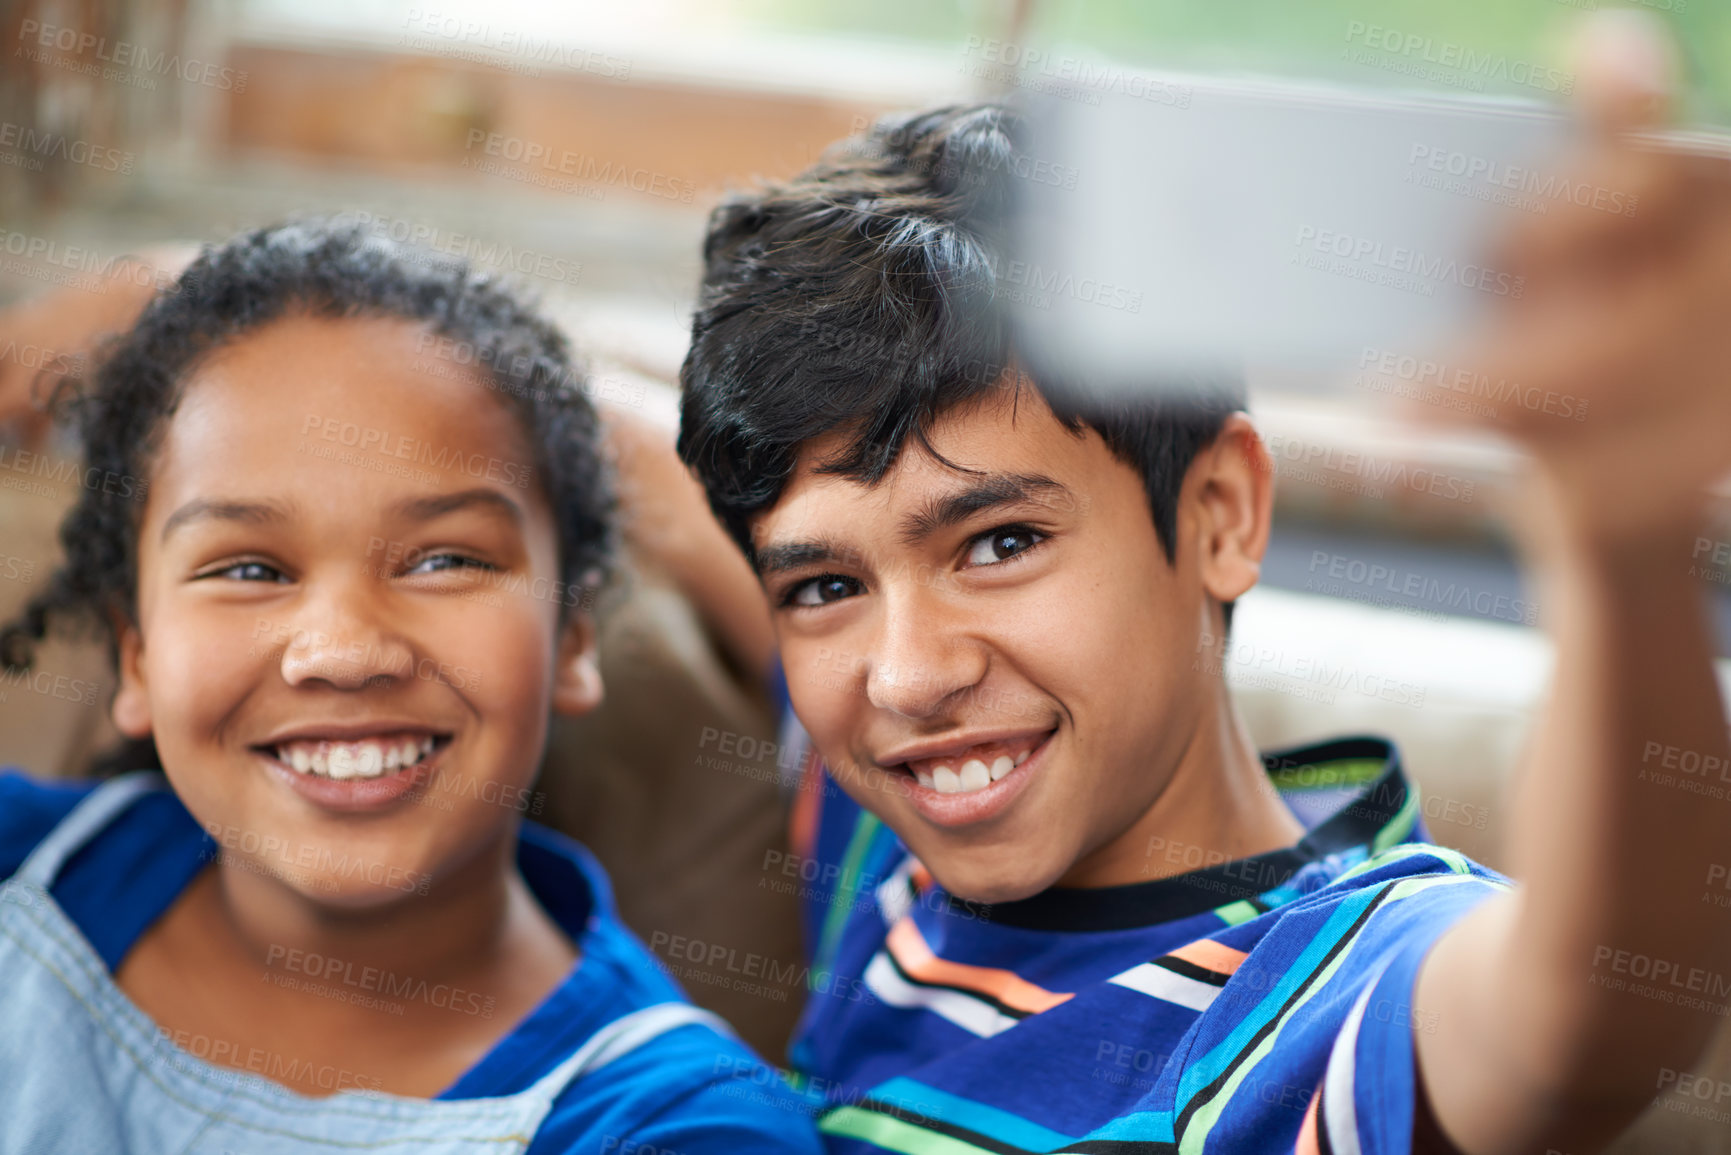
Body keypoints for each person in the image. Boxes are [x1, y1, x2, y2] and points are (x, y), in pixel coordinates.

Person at [672, 18, 1731, 1155]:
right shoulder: (889, 842)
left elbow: (1594, 1007)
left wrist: (1619, 532)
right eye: (828, 587)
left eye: (1000, 544)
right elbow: (636, 473)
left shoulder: (1329, 995)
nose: (911, 675)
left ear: (1220, 513)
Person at [0, 219, 823, 1154]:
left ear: (574, 634)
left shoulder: (679, 1125)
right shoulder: (21, 869)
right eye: (250, 569)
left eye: (443, 559)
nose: (344, 652)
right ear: (138, 654)